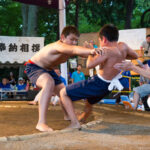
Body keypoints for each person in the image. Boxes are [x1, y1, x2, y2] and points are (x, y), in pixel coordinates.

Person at [60, 24, 138, 129]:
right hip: (108, 86)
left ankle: (74, 123)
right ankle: (82, 119)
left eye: (100, 41)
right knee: (89, 101)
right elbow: (135, 56)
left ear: (104, 39)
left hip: (99, 83)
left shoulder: (106, 50)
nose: (100, 44)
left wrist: (90, 52)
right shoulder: (123, 46)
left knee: (63, 93)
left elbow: (89, 65)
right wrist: (121, 56)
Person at [25, 25, 98, 132]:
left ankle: (69, 117)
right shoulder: (58, 46)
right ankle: (41, 123)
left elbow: (83, 54)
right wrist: (92, 51)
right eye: (71, 39)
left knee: (64, 92)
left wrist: (93, 49)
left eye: (76, 40)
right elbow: (75, 49)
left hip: (49, 69)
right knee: (48, 82)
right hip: (34, 66)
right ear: (63, 37)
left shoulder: (69, 49)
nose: (74, 42)